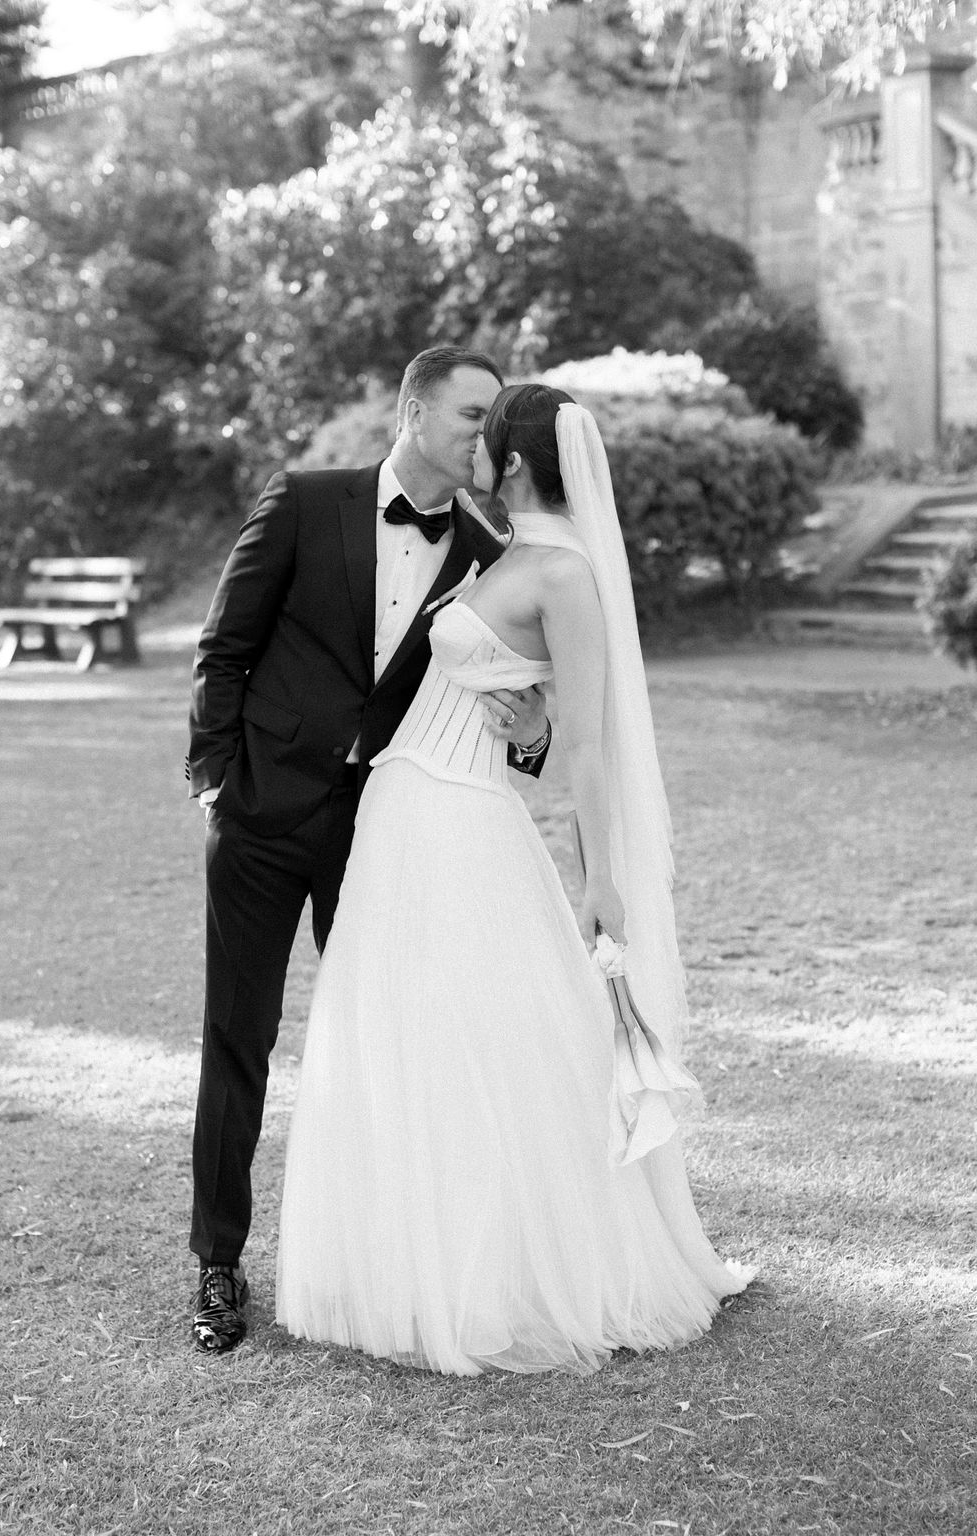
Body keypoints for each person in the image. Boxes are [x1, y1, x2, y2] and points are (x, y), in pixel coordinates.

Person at [274, 383, 754, 1376]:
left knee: (475, 1037)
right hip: (403, 814)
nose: (471, 452)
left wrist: (599, 877)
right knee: (398, 1034)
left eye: (485, 439)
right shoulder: (511, 557)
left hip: (459, 822)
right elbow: (512, 704)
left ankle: (507, 1273)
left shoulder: (565, 577)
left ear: (517, 462)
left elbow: (582, 739)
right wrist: (521, 722)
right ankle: (405, 1262)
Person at [186, 348, 553, 1352]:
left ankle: (386, 1265)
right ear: (412, 410)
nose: (486, 437)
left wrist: (528, 732)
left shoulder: (486, 547)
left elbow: (516, 699)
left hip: (384, 830)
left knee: (390, 1047)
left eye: (490, 421)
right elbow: (226, 646)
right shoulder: (304, 501)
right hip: (263, 819)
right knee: (238, 1041)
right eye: (471, 416)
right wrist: (218, 777)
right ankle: (217, 1266)